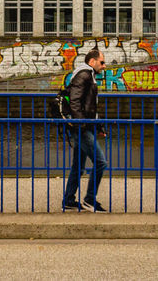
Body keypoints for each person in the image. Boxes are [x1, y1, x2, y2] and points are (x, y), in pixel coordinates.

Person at [62, 48, 108, 212]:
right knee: (101, 162)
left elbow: (91, 107)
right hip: (81, 128)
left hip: (84, 126)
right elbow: (75, 101)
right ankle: (89, 200)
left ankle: (68, 200)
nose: (104, 66)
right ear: (92, 61)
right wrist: (81, 126)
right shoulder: (85, 75)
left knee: (78, 167)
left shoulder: (88, 75)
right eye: (102, 62)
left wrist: (99, 127)